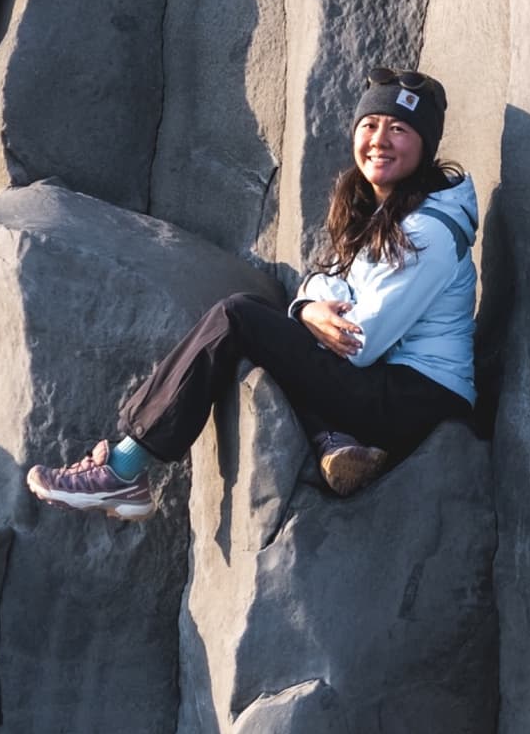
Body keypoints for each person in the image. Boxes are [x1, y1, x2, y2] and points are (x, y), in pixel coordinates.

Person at [26, 66, 479, 519]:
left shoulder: (428, 232)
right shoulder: (381, 213)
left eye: (398, 130)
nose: (379, 140)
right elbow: (323, 282)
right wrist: (307, 310)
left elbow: (358, 341)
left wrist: (309, 313)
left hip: (419, 401)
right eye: (370, 125)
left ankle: (124, 469)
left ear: (425, 145)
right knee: (270, 332)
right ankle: (331, 439)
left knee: (239, 318)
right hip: (390, 385)